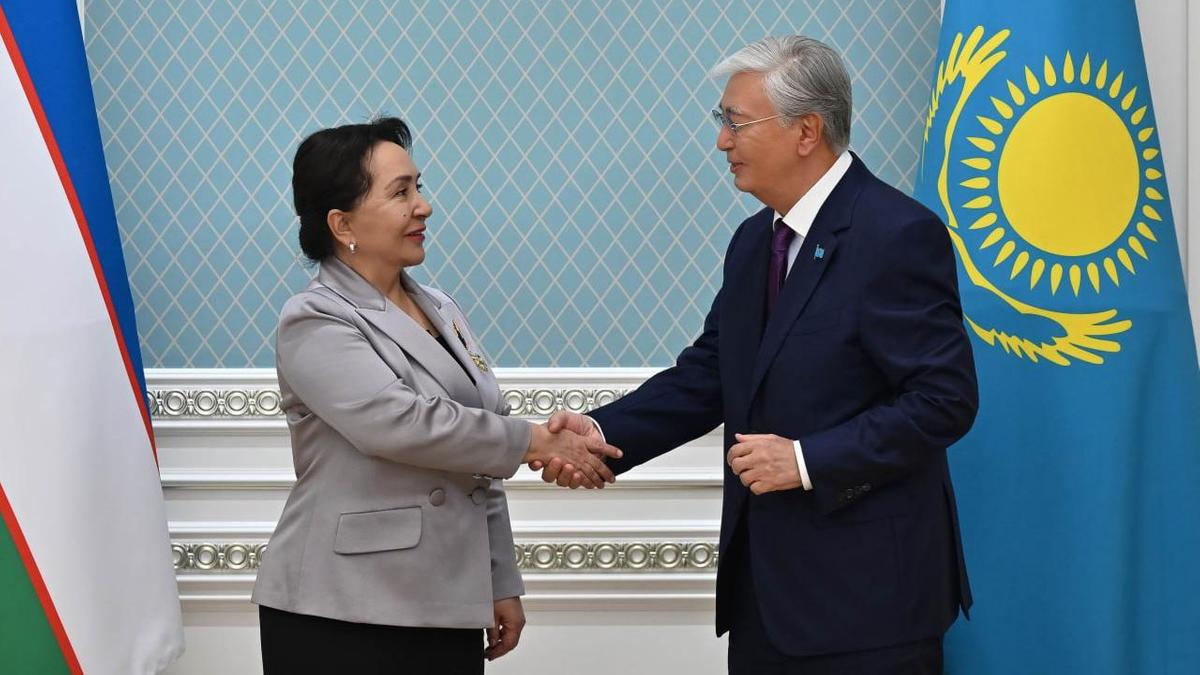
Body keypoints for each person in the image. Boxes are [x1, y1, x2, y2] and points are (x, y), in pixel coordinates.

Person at [538, 36, 979, 673]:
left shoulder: (895, 234)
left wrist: (805, 460)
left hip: (870, 603)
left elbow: (944, 400)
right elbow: (711, 373)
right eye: (722, 121)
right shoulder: (754, 241)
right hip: (763, 599)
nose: (723, 141)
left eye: (737, 123)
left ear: (807, 131)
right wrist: (601, 433)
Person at [251, 117, 620, 674]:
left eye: (418, 187)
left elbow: (477, 460)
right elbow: (399, 423)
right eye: (400, 192)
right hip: (341, 607)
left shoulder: (440, 308)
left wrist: (499, 579)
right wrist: (537, 441)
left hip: (446, 600)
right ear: (342, 222)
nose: (423, 206)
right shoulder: (315, 318)